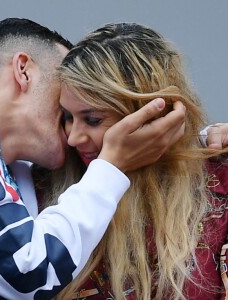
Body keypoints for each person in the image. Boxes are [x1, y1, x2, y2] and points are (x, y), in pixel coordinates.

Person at [0, 18, 187, 300]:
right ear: (23, 70)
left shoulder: (16, 172)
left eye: (90, 116)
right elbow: (29, 270)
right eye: (65, 109)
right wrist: (111, 167)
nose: (73, 133)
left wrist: (196, 142)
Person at [34, 23, 228, 299]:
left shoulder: (220, 182)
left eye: (92, 120)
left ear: (151, 113)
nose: (74, 137)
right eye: (66, 117)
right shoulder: (39, 189)